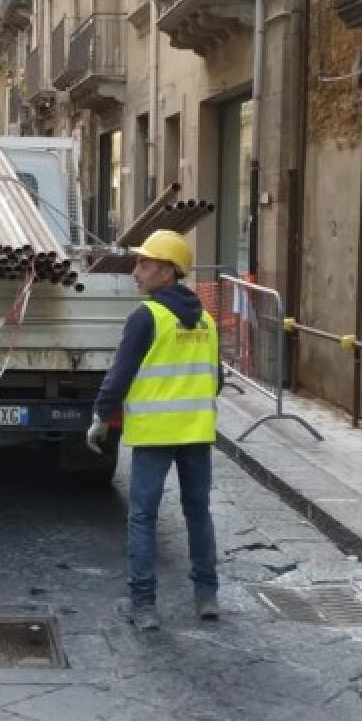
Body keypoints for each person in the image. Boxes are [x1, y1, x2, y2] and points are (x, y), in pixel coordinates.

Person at [87, 229, 223, 631]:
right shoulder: (208, 322)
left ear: (168, 272)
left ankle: (143, 605)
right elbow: (214, 380)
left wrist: (100, 416)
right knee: (198, 512)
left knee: (143, 517)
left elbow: (121, 374)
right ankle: (207, 597)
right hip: (197, 434)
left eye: (144, 263)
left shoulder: (146, 317)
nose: (136, 270)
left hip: (154, 435)